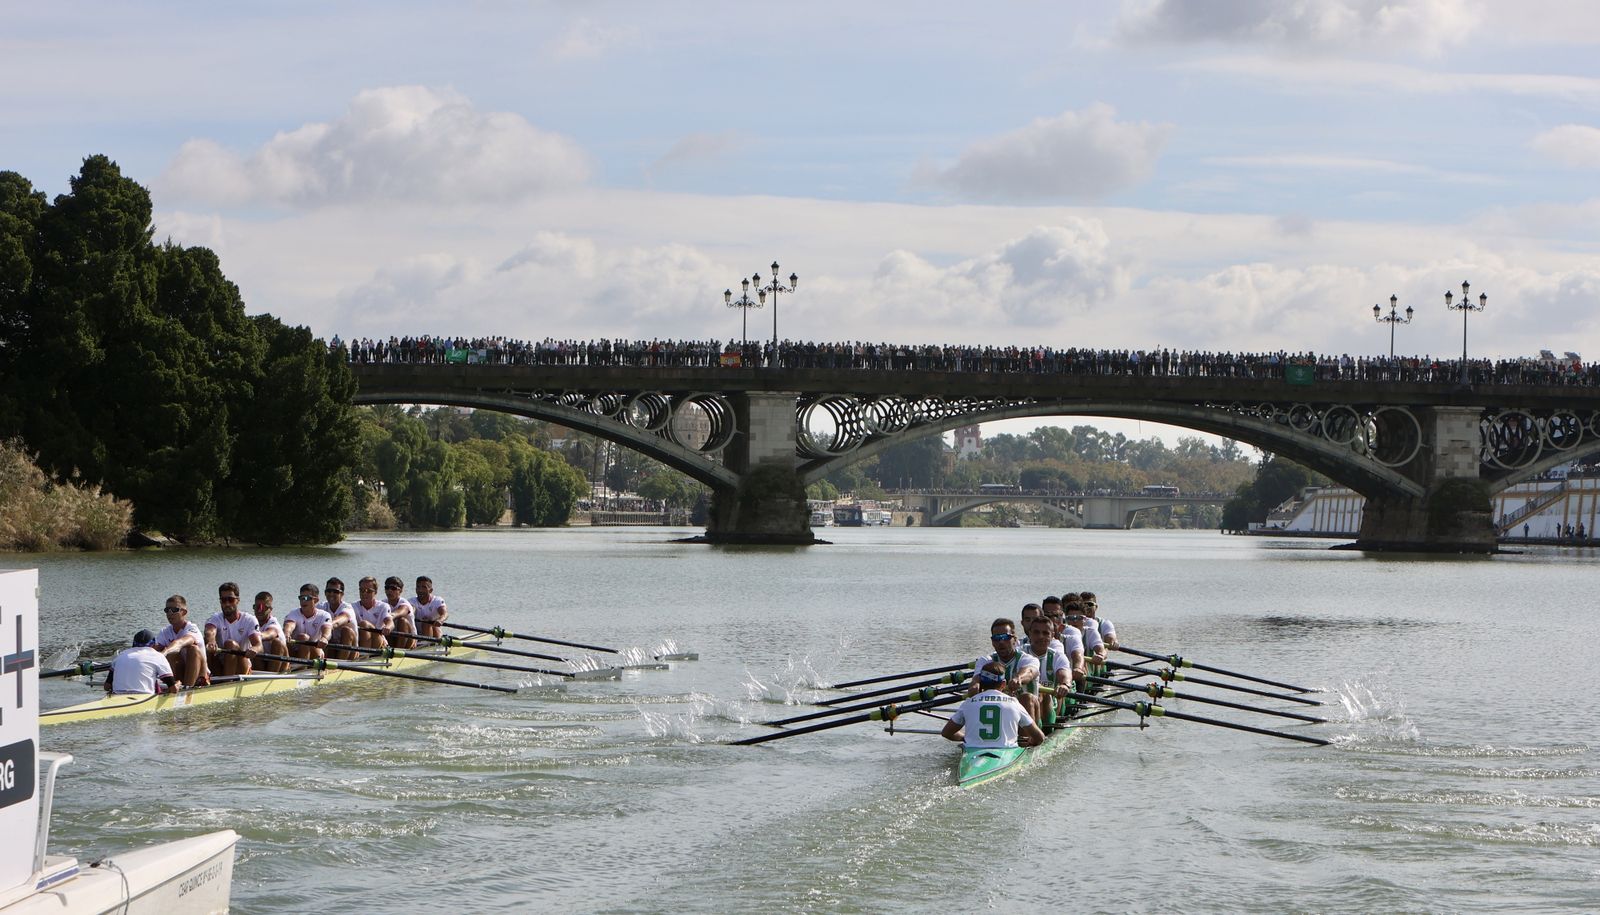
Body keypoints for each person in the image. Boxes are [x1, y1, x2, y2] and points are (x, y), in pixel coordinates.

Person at [942, 661, 1045, 750]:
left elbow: (946, 733)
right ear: (1003, 684)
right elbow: (1040, 737)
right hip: (1006, 753)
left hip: (973, 751)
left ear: (980, 682)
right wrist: (1032, 742)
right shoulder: (1014, 703)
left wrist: (965, 738)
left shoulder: (968, 703)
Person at [970, 617, 1040, 722]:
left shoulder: (1028, 659)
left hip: (1029, 717)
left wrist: (1018, 678)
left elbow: (1030, 672)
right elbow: (976, 679)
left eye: (1005, 637)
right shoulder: (985, 661)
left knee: (1026, 698)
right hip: (1001, 715)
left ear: (1015, 639)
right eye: (996, 638)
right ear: (992, 642)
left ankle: (1027, 733)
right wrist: (975, 685)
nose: (1001, 642)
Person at [1024, 616, 1077, 727]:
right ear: (1029, 634)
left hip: (1051, 705)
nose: (1041, 636)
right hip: (1023, 705)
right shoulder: (1020, 653)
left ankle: (1037, 731)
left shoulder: (1058, 656)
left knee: (1042, 694)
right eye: (1036, 632)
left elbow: (1065, 674)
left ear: (1052, 636)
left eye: (1045, 633)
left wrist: (1064, 685)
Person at [205, 581, 262, 678]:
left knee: (230, 644)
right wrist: (211, 641)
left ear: (237, 600)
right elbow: (210, 631)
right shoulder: (215, 618)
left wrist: (254, 649)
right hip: (219, 665)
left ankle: (226, 682)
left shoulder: (249, 620)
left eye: (230, 600)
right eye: (223, 600)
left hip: (241, 666)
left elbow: (259, 645)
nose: (227, 604)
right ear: (220, 602)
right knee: (203, 643)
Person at [153, 595, 207, 688]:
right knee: (171, 654)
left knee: (193, 649)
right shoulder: (164, 632)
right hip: (180, 675)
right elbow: (154, 649)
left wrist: (165, 651)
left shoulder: (192, 629)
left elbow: (180, 643)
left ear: (184, 612)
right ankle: (174, 687)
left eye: (174, 610)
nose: (170, 613)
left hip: (200, 677)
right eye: (167, 610)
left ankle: (188, 689)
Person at [104, 629, 178, 695]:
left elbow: (107, 687)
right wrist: (178, 684)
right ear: (154, 644)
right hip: (144, 697)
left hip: (117, 696)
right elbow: (173, 689)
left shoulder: (120, 656)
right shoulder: (158, 656)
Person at [285, 583, 334, 660]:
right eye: (301, 598)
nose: (303, 601)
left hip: (314, 651)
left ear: (316, 600)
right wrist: (287, 633)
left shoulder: (324, 615)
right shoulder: (293, 613)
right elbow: (289, 625)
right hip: (294, 651)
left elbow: (327, 629)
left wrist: (324, 638)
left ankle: (303, 665)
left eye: (306, 598)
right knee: (302, 637)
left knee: (304, 638)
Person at [317, 577, 360, 659]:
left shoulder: (347, 608)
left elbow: (339, 620)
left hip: (350, 650)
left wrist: (328, 626)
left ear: (342, 594)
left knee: (346, 630)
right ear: (325, 593)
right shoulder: (321, 607)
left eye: (335, 592)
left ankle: (340, 662)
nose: (331, 594)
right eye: (329, 591)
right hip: (331, 647)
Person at [353, 576, 394, 650]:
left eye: (369, 591)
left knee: (364, 624)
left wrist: (388, 627)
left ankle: (364, 655)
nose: (364, 593)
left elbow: (390, 621)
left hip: (378, 640)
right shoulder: (353, 607)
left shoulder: (383, 606)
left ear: (375, 592)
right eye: (362, 590)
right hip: (359, 640)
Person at [253, 591, 289, 672]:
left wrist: (254, 636)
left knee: (277, 642)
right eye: (257, 607)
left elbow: (271, 633)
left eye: (263, 607)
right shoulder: (251, 622)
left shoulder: (273, 623)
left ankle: (271, 675)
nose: (259, 610)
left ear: (270, 609)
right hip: (262, 661)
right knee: (255, 646)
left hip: (280, 664)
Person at [385, 577, 417, 649]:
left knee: (402, 620)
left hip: (409, 639)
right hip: (391, 636)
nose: (389, 591)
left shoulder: (405, 604)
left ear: (400, 590)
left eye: (393, 588)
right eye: (387, 588)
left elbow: (400, 612)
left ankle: (398, 650)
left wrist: (389, 617)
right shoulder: (383, 603)